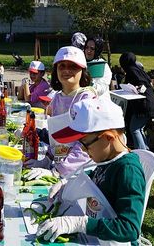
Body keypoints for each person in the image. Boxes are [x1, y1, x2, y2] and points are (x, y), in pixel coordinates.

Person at [36, 97, 146, 244]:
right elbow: (95, 178)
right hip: (94, 238)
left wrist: (80, 224)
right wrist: (66, 183)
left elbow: (129, 229)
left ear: (108, 137)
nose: (82, 150)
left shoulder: (128, 171)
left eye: (85, 144)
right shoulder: (106, 159)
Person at [25, 47, 96, 179]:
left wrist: (58, 171)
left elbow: (86, 145)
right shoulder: (57, 98)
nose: (66, 70)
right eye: (61, 66)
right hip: (61, 166)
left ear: (83, 71)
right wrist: (47, 160)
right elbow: (57, 140)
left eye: (73, 66)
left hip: (81, 173)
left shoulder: (87, 99)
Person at [119, 52, 154, 150]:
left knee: (134, 129)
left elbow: (142, 86)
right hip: (150, 103)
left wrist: (135, 90)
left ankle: (142, 153)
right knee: (139, 129)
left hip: (145, 104)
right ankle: (146, 150)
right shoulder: (138, 70)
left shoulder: (132, 71)